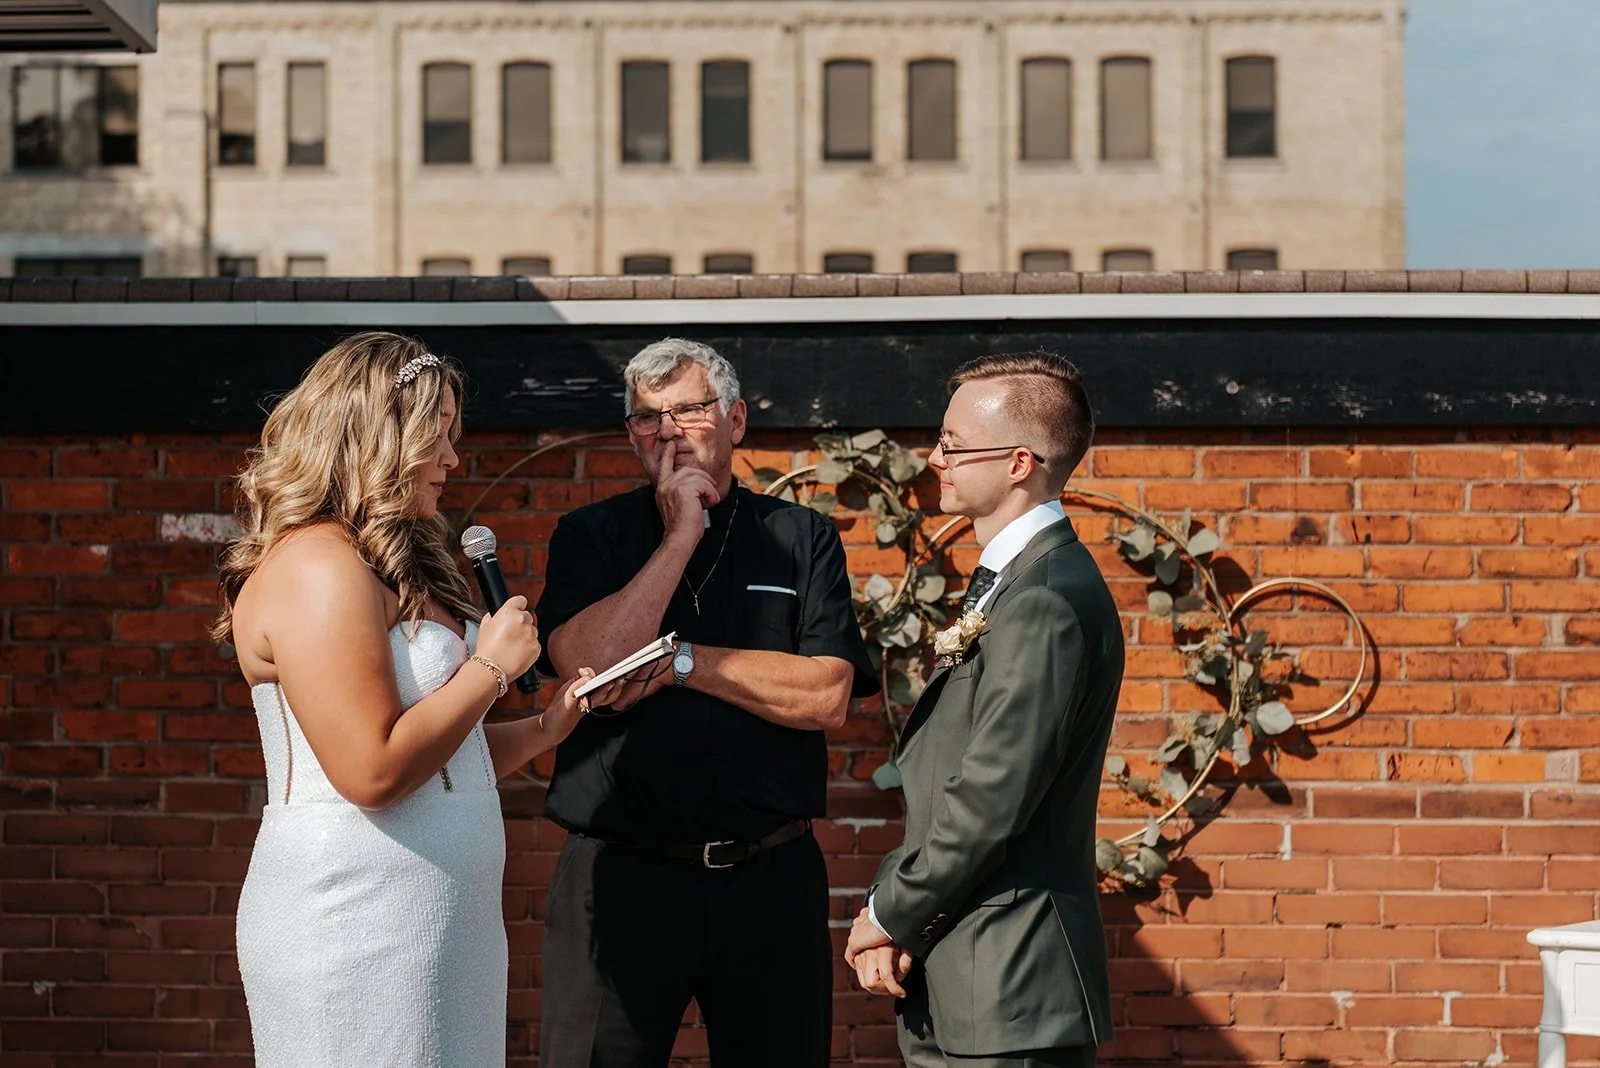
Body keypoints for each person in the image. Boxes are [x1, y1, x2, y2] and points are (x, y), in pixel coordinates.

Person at [217, 331, 621, 1067]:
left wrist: (546, 725)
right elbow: (372, 771)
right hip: (354, 917)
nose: (452, 460)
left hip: (445, 922)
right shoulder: (316, 567)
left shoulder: (393, 561)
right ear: (378, 436)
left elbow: (442, 760)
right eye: (437, 436)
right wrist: (489, 669)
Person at [534, 337, 879, 1067]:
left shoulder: (801, 538)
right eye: (647, 417)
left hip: (767, 878)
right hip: (619, 877)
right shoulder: (590, 537)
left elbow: (827, 694)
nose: (667, 431)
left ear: (736, 420)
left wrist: (683, 662)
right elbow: (590, 668)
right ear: (631, 434)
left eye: (689, 410)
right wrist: (681, 535)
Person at [844, 352, 1124, 1068]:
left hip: (1011, 985)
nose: (934, 459)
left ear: (1019, 463)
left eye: (953, 445)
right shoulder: (1015, 584)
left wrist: (889, 913)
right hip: (961, 978)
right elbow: (945, 777)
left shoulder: (1044, 601)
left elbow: (992, 797)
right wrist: (896, 913)